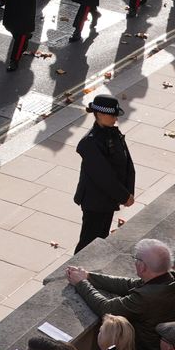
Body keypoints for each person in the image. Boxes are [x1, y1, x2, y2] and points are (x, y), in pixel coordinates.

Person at [73, 92, 136, 252]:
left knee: (101, 238)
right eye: (112, 115)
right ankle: (74, 273)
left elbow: (127, 163)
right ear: (99, 114)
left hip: (108, 199)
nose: (116, 119)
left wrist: (129, 192)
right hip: (95, 201)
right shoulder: (90, 143)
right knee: (89, 242)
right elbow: (103, 176)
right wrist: (124, 196)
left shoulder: (112, 132)